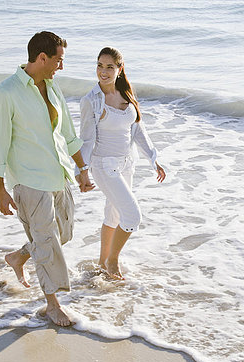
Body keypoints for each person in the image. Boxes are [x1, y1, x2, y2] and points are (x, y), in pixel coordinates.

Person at [0, 31, 94, 327]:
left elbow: (68, 135)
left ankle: (19, 256)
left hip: (58, 175)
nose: (62, 66)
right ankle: (52, 305)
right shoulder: (6, 93)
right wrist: (0, 190)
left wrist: (82, 170)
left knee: (64, 234)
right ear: (42, 57)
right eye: (59, 60)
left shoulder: (53, 88)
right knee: (47, 242)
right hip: (29, 180)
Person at [78, 47, 165, 280]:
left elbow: (138, 130)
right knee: (132, 216)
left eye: (109, 67)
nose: (103, 72)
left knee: (114, 216)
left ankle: (102, 263)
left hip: (127, 163)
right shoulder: (91, 101)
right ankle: (113, 260)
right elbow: (86, 140)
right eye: (99, 65)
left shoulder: (126, 95)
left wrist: (154, 159)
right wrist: (82, 171)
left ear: (119, 68)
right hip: (104, 166)